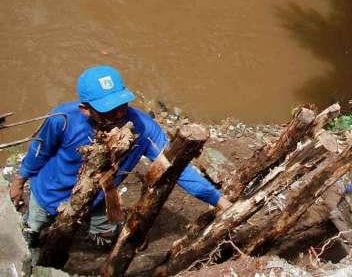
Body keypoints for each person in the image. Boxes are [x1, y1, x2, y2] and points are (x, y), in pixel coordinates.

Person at [9, 65, 232, 253]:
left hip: (101, 197)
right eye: (108, 109)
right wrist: (19, 182)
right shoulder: (63, 120)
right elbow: (39, 152)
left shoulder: (142, 128)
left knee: (104, 235)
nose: (119, 115)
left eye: (122, 105)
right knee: (34, 233)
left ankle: (100, 241)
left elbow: (176, 169)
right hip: (50, 194)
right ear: (85, 109)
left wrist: (220, 202)